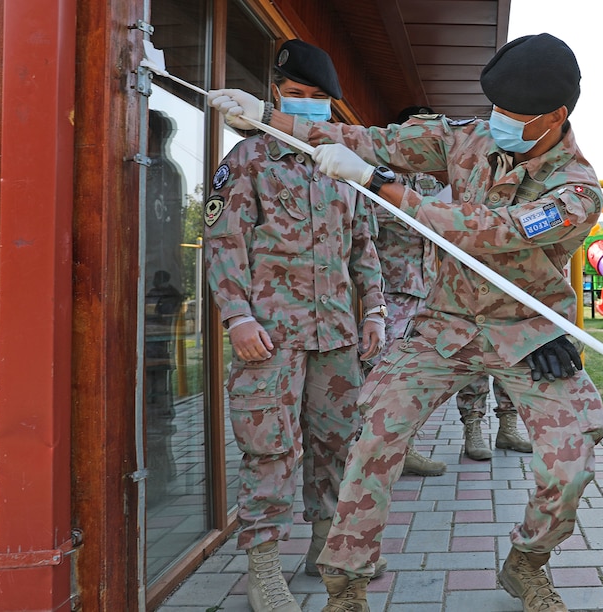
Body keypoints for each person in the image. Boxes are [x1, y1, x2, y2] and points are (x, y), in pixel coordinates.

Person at [209, 33, 603, 611]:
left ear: (555, 117)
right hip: (443, 326)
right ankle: (346, 585)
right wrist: (267, 117)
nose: (494, 122)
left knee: (571, 457)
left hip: (527, 334)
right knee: (371, 431)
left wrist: (376, 183)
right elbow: (364, 139)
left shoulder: (575, 190)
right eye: (492, 109)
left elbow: (487, 232)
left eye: (511, 116)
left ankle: (527, 564)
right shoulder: (463, 138)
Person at [203, 39, 386, 612]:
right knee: (271, 450)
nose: (306, 105)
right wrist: (235, 317)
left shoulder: (341, 163)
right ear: (276, 94)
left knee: (337, 443)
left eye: (317, 98)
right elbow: (222, 242)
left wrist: (375, 310)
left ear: (332, 104)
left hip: (336, 336)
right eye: (296, 95)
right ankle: (264, 565)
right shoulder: (248, 159)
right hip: (270, 338)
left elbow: (364, 247)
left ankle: (326, 548)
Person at [369, 106, 532, 474]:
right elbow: (372, 228)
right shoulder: (378, 177)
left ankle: (499, 427)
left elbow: (458, 224)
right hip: (392, 290)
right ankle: (396, 448)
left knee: (491, 355)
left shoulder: (431, 181)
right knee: (394, 372)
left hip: (432, 288)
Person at [143, 110, 186, 504]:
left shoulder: (159, 174)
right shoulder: (163, 172)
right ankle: (161, 464)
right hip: (160, 287)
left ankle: (157, 467)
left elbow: (159, 237)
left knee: (155, 376)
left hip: (156, 290)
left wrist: (159, 287)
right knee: (156, 374)